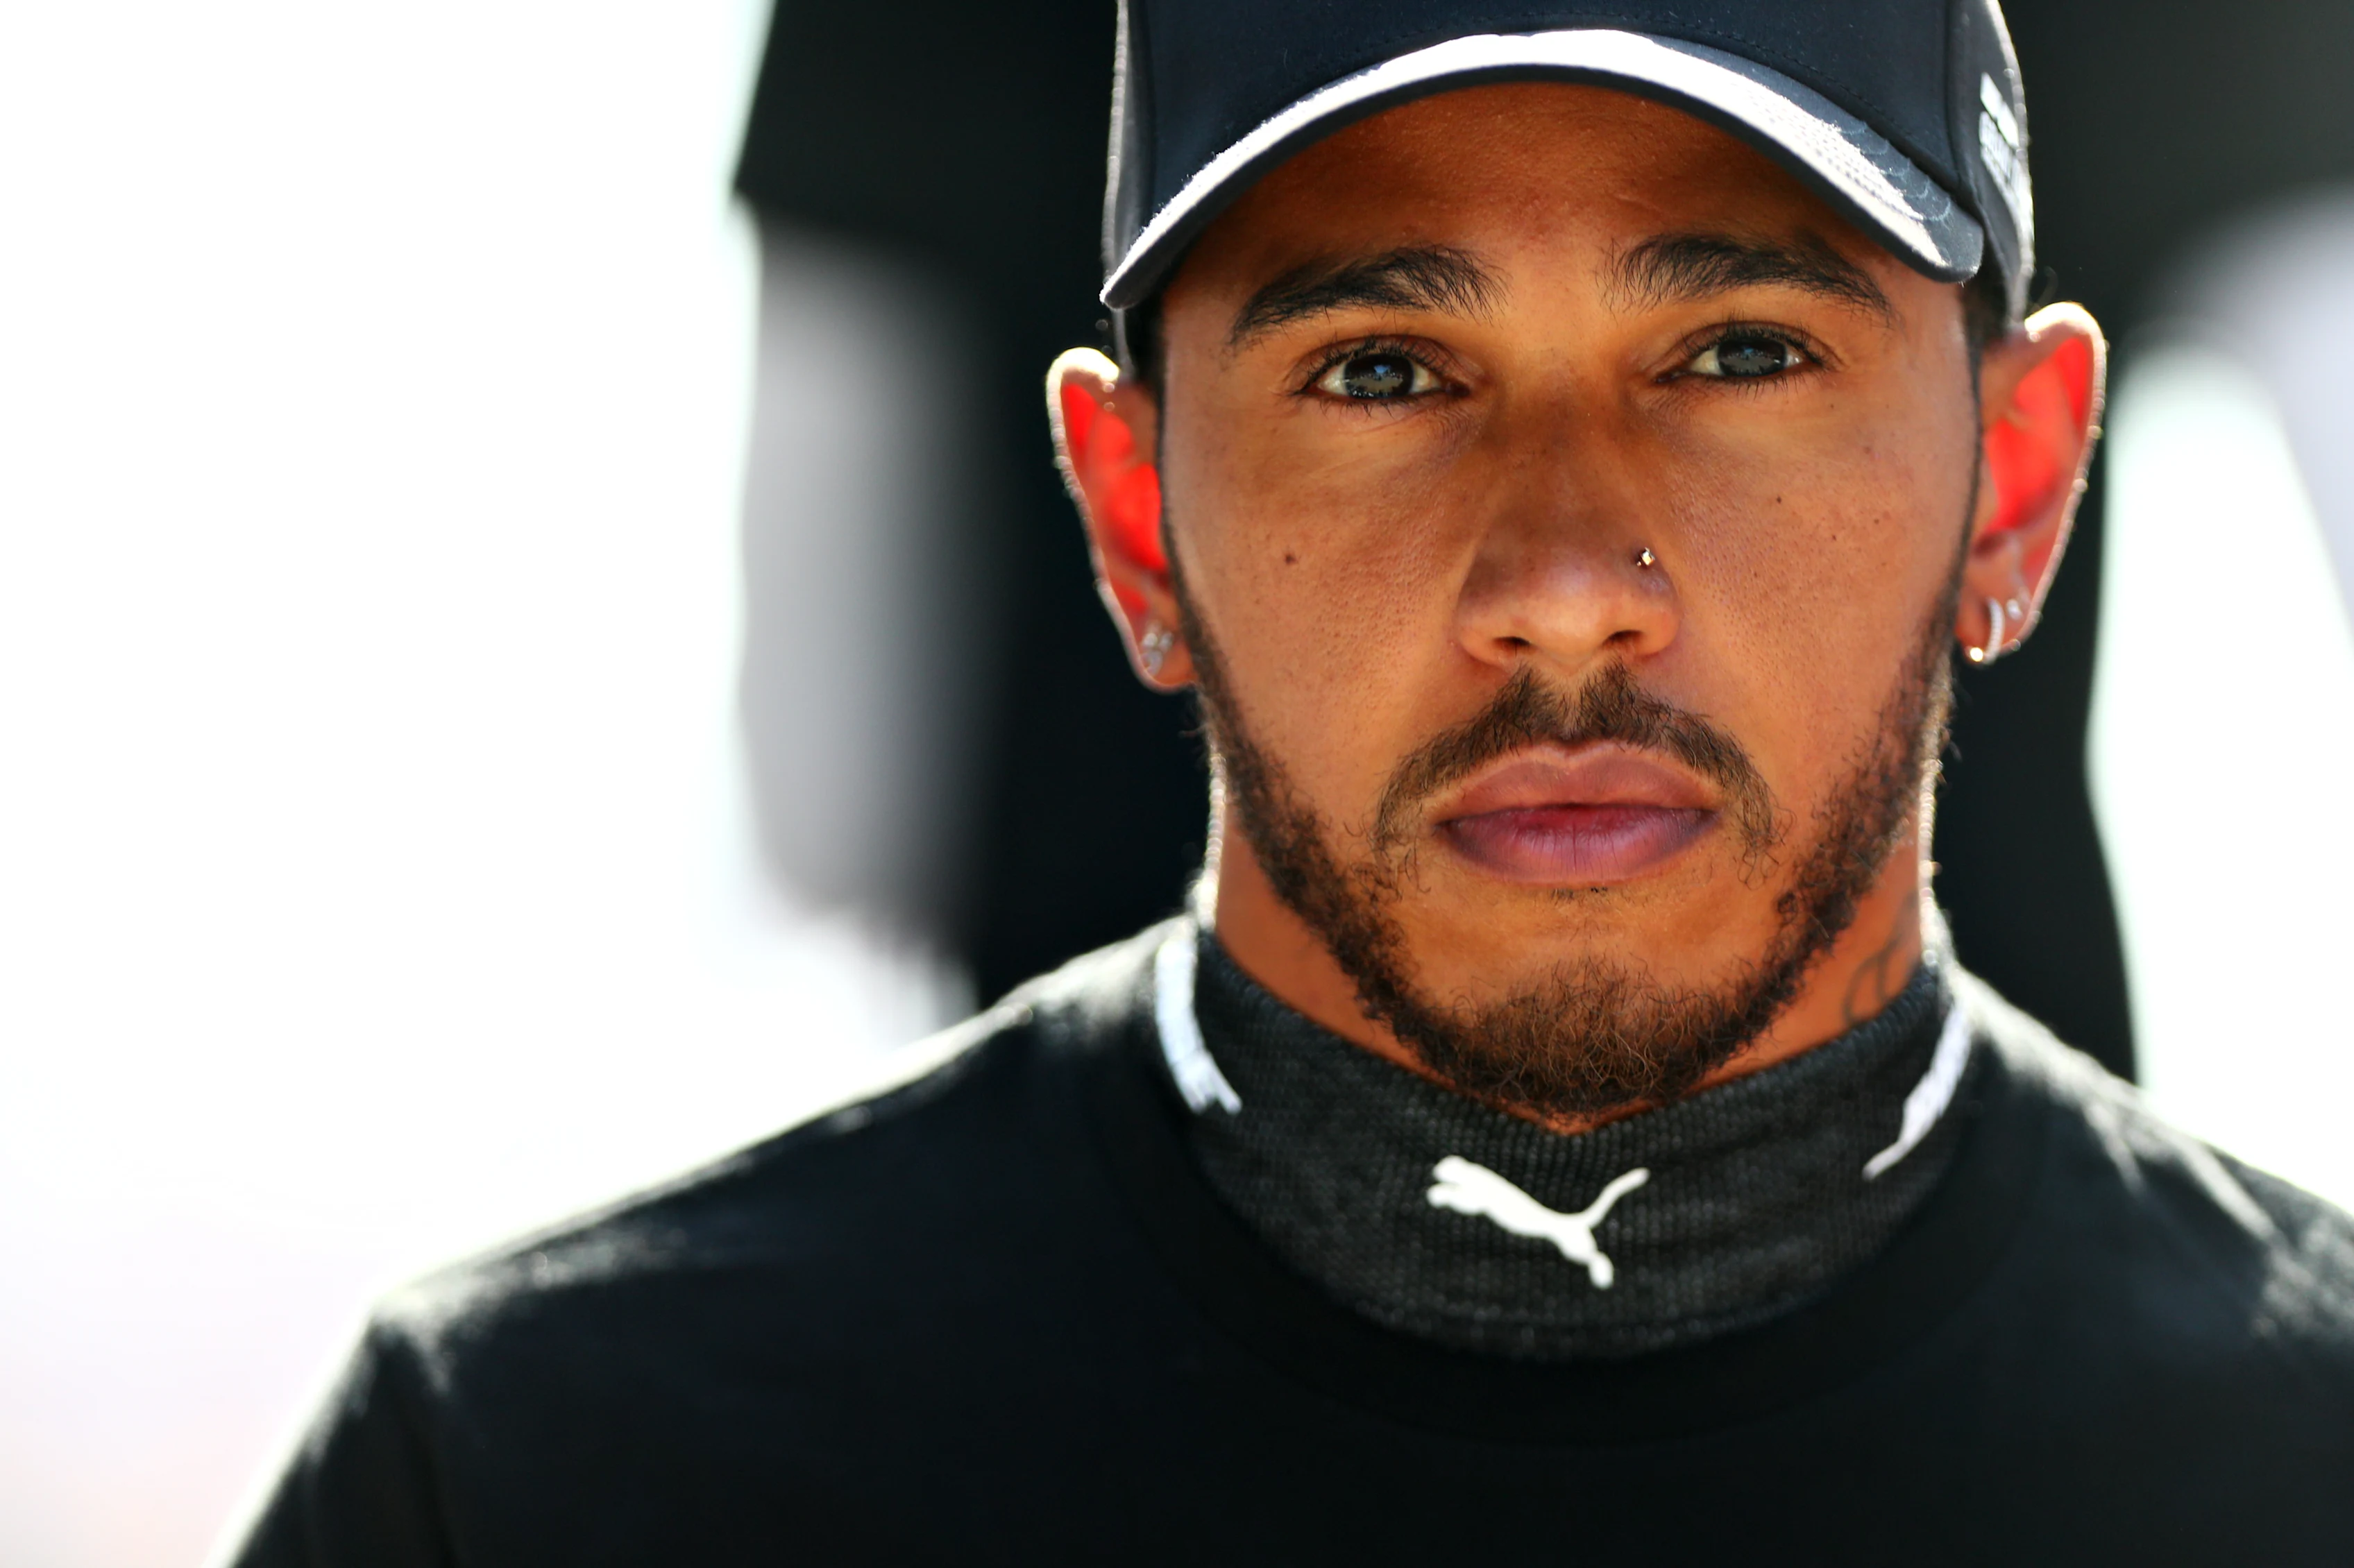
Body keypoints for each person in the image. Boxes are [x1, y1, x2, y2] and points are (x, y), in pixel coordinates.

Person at [227, 3, 2354, 1562]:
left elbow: (819, 781)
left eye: (1733, 354)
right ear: (1136, 519)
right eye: (1384, 371)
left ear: (2019, 479)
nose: (1562, 590)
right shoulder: (540, 1487)